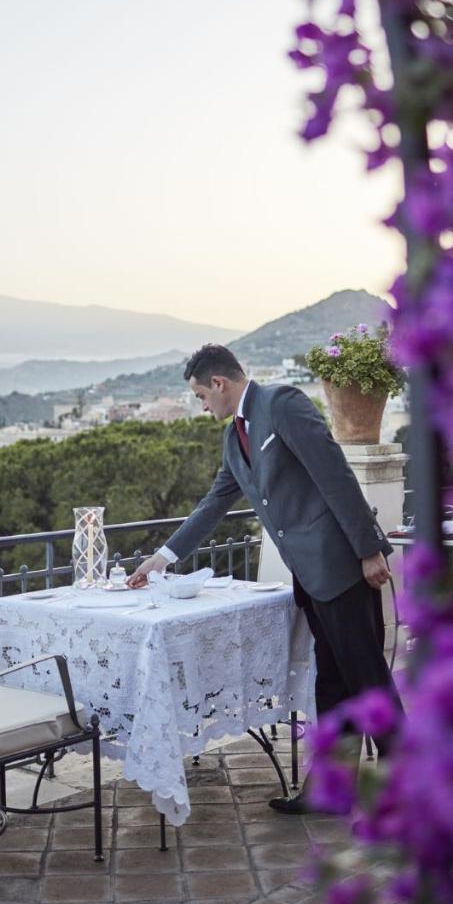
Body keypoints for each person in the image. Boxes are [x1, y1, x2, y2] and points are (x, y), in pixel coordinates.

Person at [128, 343, 402, 815]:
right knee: (332, 684)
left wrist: (368, 549)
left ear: (219, 383)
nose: (201, 406)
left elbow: (334, 475)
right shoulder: (234, 441)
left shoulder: (283, 404)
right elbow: (212, 504)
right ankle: (329, 791)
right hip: (310, 579)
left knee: (368, 680)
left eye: (200, 395)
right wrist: (163, 557)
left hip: (342, 567)